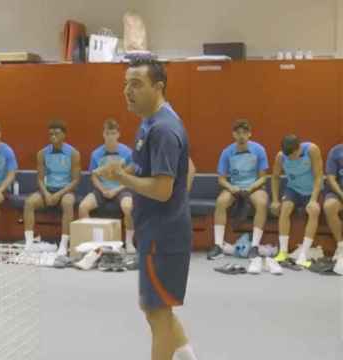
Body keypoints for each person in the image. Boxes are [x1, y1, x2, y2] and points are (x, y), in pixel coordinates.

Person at [96, 59, 198, 360]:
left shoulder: (164, 129)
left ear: (159, 86)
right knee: (156, 308)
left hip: (163, 237)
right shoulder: (150, 121)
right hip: (155, 230)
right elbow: (159, 167)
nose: (128, 91)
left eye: (137, 84)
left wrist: (122, 177)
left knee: (157, 314)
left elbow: (163, 189)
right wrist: (124, 169)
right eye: (126, 84)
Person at [208, 119, 269, 260]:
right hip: (234, 186)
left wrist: (252, 187)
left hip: (254, 187)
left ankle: (254, 247)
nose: (241, 136)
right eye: (238, 133)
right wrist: (231, 187)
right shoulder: (227, 152)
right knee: (221, 202)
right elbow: (221, 179)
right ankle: (218, 245)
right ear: (233, 135)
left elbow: (263, 178)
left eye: (244, 133)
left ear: (250, 134)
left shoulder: (259, 150)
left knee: (262, 203)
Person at [23, 120, 81, 256]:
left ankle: (63, 244)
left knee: (67, 203)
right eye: (50, 133)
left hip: (66, 190)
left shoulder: (73, 153)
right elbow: (40, 178)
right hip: (48, 190)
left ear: (64, 135)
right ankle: (29, 243)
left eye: (56, 133)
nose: (53, 136)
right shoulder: (42, 153)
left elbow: (76, 180)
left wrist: (58, 194)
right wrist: (47, 193)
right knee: (29, 202)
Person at [78, 118, 135, 253]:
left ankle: (129, 242)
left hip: (121, 189)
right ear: (103, 134)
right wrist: (103, 189)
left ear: (118, 134)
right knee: (82, 207)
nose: (110, 136)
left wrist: (116, 190)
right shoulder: (96, 154)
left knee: (128, 207)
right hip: (102, 190)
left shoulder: (127, 153)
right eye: (108, 133)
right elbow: (94, 176)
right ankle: (91, 243)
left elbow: (130, 178)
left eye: (113, 133)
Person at [271, 135, 323, 268]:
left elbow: (318, 176)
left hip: (312, 190)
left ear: (299, 147)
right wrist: (275, 200)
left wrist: (313, 200)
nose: (291, 159)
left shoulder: (312, 150)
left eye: (294, 155)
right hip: (293, 189)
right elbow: (275, 177)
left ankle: (303, 255)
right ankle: (283, 252)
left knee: (314, 210)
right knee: (284, 209)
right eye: (289, 157)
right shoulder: (281, 156)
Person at [324, 143, 343, 265]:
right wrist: (341, 194)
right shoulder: (336, 151)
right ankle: (341, 246)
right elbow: (330, 178)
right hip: (338, 192)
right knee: (329, 206)